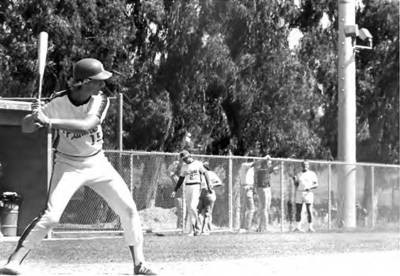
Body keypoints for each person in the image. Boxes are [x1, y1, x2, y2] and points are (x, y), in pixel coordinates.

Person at [0, 58, 156, 275]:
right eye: (98, 80)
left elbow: (87, 125)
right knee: (51, 216)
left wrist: (50, 122)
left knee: (128, 209)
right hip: (67, 164)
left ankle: (139, 264)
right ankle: (14, 261)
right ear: (83, 82)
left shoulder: (100, 100)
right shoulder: (57, 102)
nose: (103, 84)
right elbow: (26, 128)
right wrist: (34, 116)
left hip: (97, 162)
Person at [171, 150, 211, 236]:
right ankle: (194, 229)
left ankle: (196, 228)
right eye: (183, 159)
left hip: (196, 186)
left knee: (193, 207)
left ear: (189, 156)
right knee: (189, 209)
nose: (184, 160)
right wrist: (175, 190)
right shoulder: (184, 167)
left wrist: (209, 185)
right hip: (187, 187)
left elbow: (205, 173)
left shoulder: (198, 163)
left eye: (185, 158)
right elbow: (181, 179)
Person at [292, 159, 318, 232]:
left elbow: (316, 184)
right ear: (302, 165)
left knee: (309, 210)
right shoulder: (299, 174)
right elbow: (296, 185)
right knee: (298, 210)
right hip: (299, 193)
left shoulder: (312, 174)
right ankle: (297, 227)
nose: (304, 166)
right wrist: (294, 180)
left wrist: (309, 188)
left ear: (308, 165)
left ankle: (310, 227)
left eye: (306, 165)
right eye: (303, 165)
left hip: (308, 193)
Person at [196, 161, 222, 235]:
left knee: (203, 212)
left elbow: (219, 182)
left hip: (206, 192)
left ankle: (203, 229)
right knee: (202, 212)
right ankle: (202, 230)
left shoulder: (209, 173)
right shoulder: (200, 174)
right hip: (203, 193)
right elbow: (219, 182)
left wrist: (211, 185)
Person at [253, 155, 277, 232]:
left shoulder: (268, 169)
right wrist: (265, 158)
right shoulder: (260, 169)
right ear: (265, 163)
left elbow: (275, 167)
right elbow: (256, 163)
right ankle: (266, 227)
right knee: (264, 208)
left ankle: (260, 227)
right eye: (268, 162)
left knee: (266, 208)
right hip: (262, 189)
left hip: (268, 188)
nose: (270, 164)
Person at [239, 159, 255, 231]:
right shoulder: (244, 165)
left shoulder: (250, 169)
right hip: (246, 188)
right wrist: (263, 159)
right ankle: (246, 227)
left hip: (248, 188)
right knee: (251, 208)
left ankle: (243, 227)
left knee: (245, 209)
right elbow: (253, 164)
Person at [167, 159, 184, 229]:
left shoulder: (182, 175)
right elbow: (169, 171)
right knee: (181, 213)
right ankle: (179, 229)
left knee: (183, 213)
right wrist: (173, 165)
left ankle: (182, 228)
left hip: (184, 197)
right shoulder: (174, 176)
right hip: (179, 197)